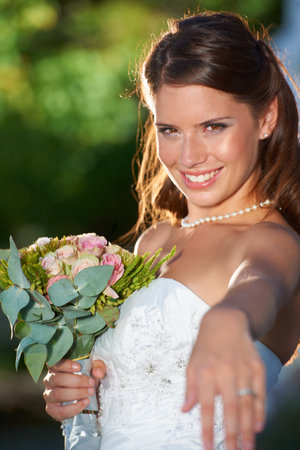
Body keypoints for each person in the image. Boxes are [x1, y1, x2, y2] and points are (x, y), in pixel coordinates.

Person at [43, 11, 300, 450]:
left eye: (213, 126)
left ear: (266, 119)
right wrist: (77, 392)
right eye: (171, 130)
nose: (190, 156)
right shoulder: (154, 242)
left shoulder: (274, 242)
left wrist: (230, 318)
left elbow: (259, 286)